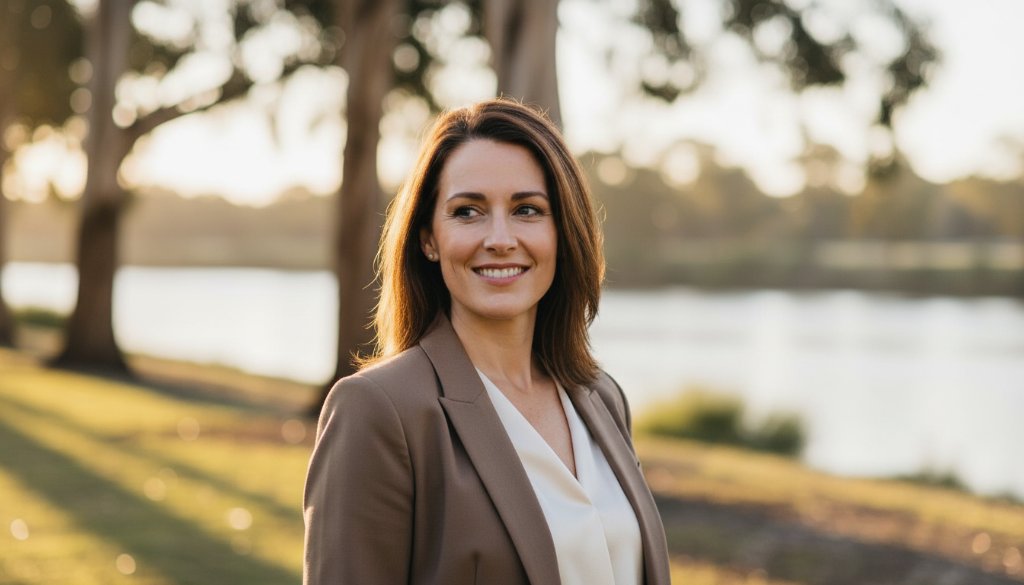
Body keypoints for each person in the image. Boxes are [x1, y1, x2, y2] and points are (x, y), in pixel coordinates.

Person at [303, 98, 670, 585]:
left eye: (527, 210)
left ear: (561, 231)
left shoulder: (601, 398)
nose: (500, 238)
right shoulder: (377, 409)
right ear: (428, 239)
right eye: (468, 211)